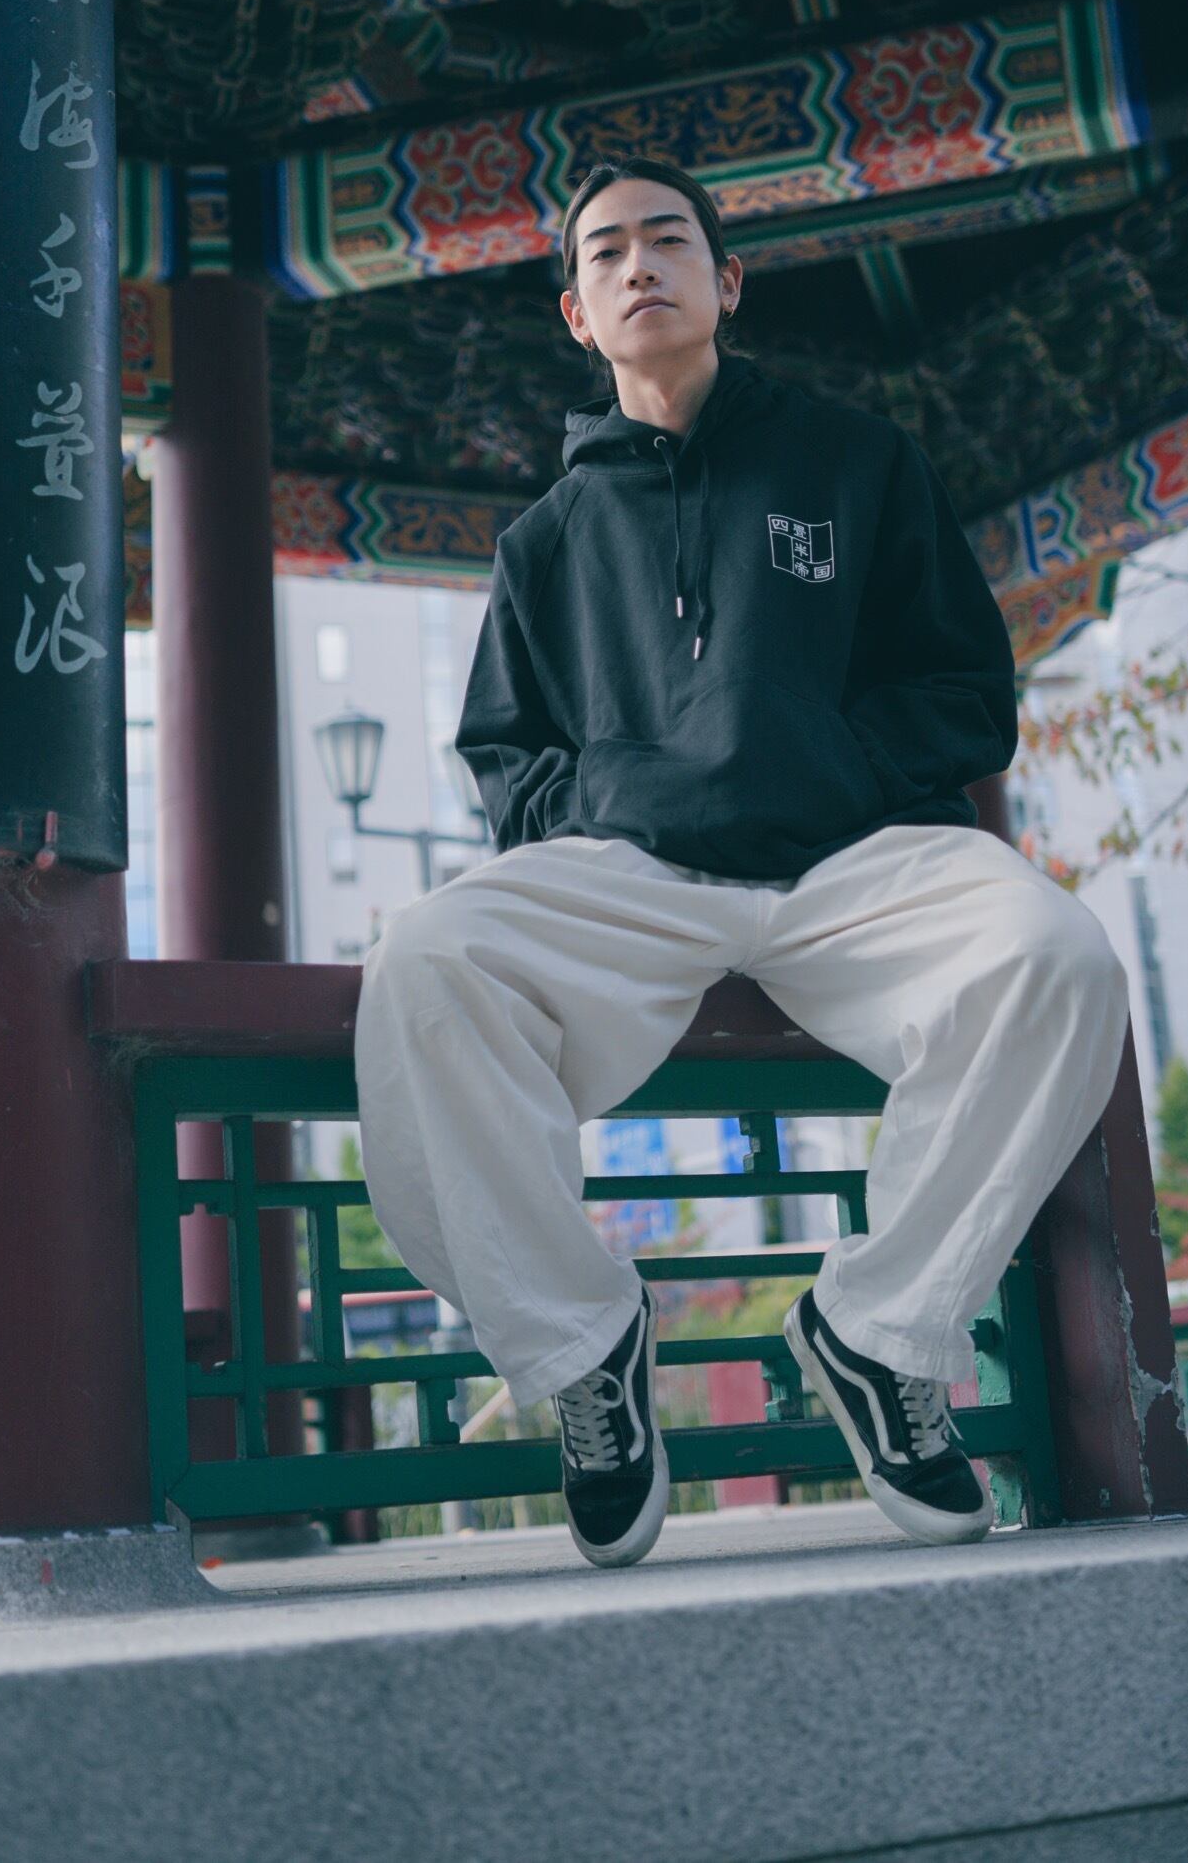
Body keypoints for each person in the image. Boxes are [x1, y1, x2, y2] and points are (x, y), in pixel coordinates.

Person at [356, 157, 1129, 1568]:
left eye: (668, 240)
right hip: (638, 874)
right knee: (426, 958)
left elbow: (962, 687)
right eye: (604, 253)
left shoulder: (856, 460)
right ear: (577, 314)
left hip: (856, 860)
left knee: (1060, 957)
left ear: (727, 280)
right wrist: (614, 806)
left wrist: (822, 769)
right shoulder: (545, 542)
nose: (638, 265)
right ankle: (585, 1347)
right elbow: (509, 757)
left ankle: (878, 1330)